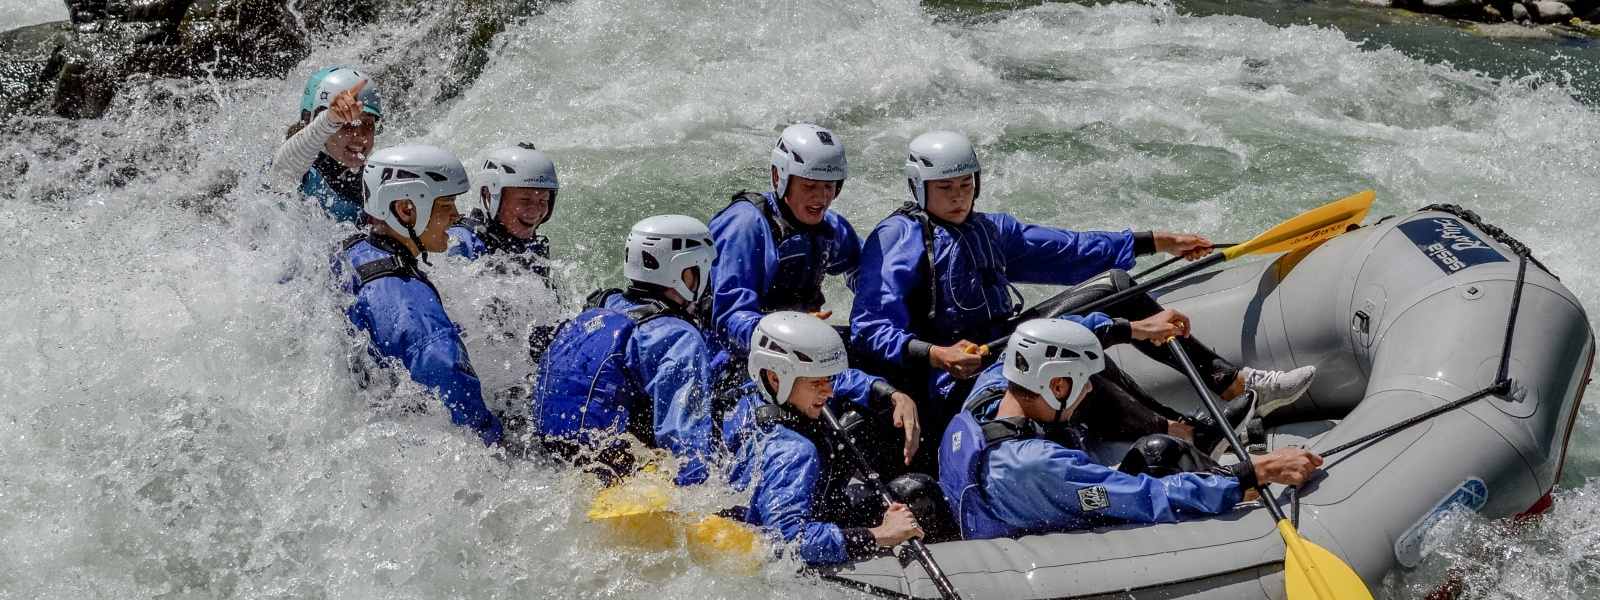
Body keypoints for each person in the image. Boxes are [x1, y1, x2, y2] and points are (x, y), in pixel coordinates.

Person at [849, 130, 1315, 459]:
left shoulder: (991, 230)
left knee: (1114, 287)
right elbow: (869, 329)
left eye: (965, 184)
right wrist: (935, 354)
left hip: (1007, 344)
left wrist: (1154, 241)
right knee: (1066, 353)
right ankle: (1184, 433)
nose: (958, 197)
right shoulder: (898, 239)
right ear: (919, 187)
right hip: (952, 381)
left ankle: (1235, 385)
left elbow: (1070, 249)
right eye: (945, 188)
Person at [938, 318, 1323, 540]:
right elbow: (1146, 496)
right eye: (1081, 382)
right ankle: (1215, 463)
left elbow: (1061, 328)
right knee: (1162, 454)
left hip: (1012, 499)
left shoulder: (988, 390)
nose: (1089, 389)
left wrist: (1130, 328)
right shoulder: (1036, 465)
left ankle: (1200, 437)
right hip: (1036, 527)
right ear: (1056, 385)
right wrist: (1250, 473)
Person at [723, 312, 936, 565]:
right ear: (776, 377)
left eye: (827, 380)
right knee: (919, 491)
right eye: (817, 384)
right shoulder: (793, 452)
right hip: (788, 546)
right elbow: (787, 543)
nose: (829, 391)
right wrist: (880, 534)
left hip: (752, 520)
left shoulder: (754, 393)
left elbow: (842, 379)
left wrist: (892, 394)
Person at [530, 215, 720, 486]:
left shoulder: (601, 306)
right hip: (618, 480)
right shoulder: (678, 337)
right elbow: (684, 441)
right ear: (685, 273)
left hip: (549, 462)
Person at [338, 144, 503, 446]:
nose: (456, 216)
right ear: (405, 209)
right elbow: (445, 367)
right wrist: (498, 441)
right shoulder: (411, 304)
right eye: (445, 206)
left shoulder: (355, 249)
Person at [708, 124, 862, 368]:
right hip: (738, 358)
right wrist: (790, 334)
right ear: (780, 177)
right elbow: (729, 319)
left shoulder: (830, 227)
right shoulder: (745, 226)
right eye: (810, 186)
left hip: (802, 348)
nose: (821, 198)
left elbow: (866, 271)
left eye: (829, 186)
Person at [272, 66, 382, 223]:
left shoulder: (369, 180)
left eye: (368, 123)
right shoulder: (299, 171)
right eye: (347, 123)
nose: (360, 135)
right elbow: (284, 169)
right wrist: (329, 120)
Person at [447, 143, 559, 276]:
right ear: (488, 195)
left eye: (543, 201)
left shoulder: (534, 249)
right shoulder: (461, 241)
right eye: (524, 200)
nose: (535, 212)